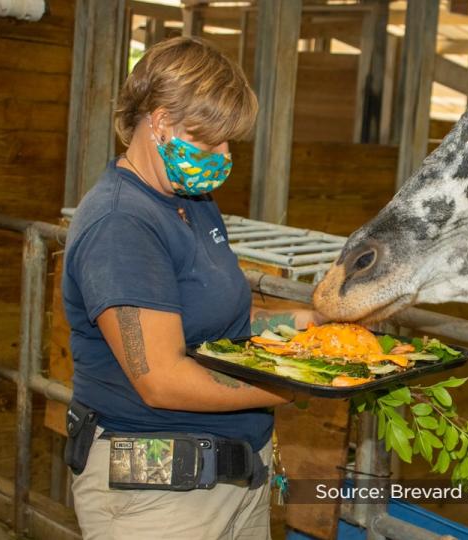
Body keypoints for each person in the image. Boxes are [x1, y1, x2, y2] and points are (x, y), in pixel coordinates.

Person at [63, 37, 298, 539]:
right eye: (208, 139)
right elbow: (161, 378)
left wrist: (310, 328)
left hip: (235, 479)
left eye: (228, 142)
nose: (223, 155)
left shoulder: (192, 201)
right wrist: (295, 383)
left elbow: (215, 329)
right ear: (160, 120)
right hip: (159, 496)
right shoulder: (121, 221)